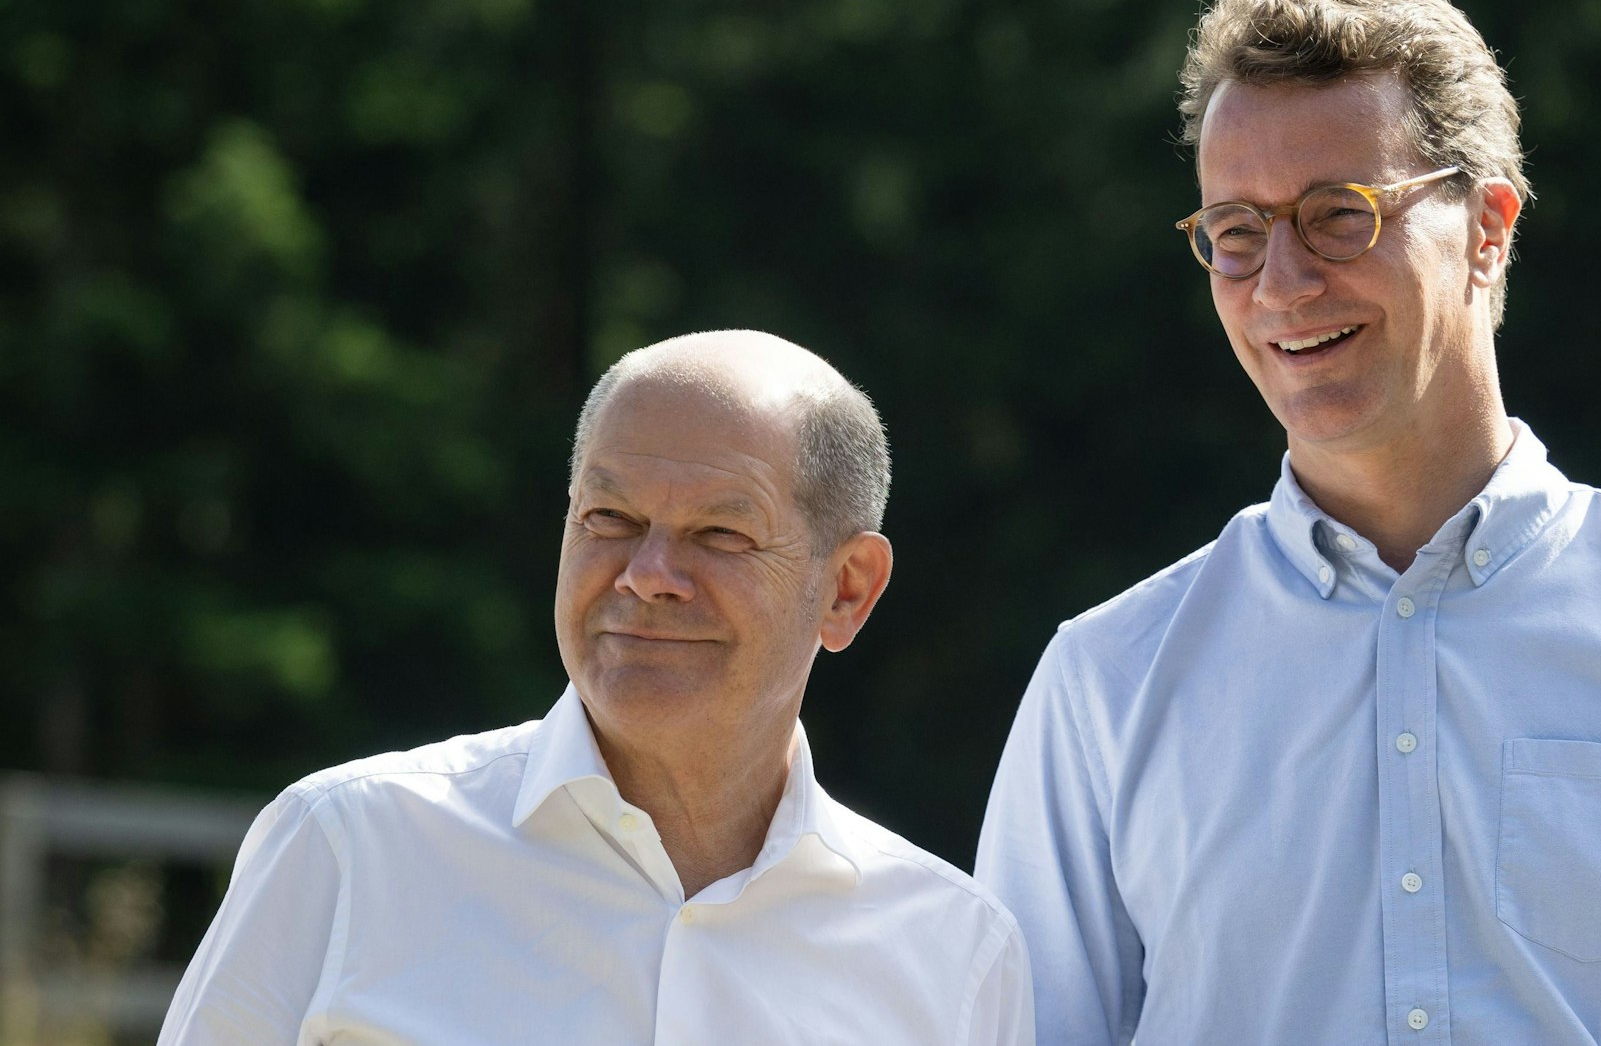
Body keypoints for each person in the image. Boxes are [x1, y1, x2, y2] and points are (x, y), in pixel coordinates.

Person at [974, 0, 1601, 1045]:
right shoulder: (1103, 682)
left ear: (1486, 227)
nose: (1281, 283)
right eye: (1236, 231)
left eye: (1337, 217)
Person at [163, 330, 1032, 1044]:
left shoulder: (953, 954)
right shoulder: (350, 847)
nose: (647, 574)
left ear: (846, 590)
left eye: (720, 532)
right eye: (608, 518)